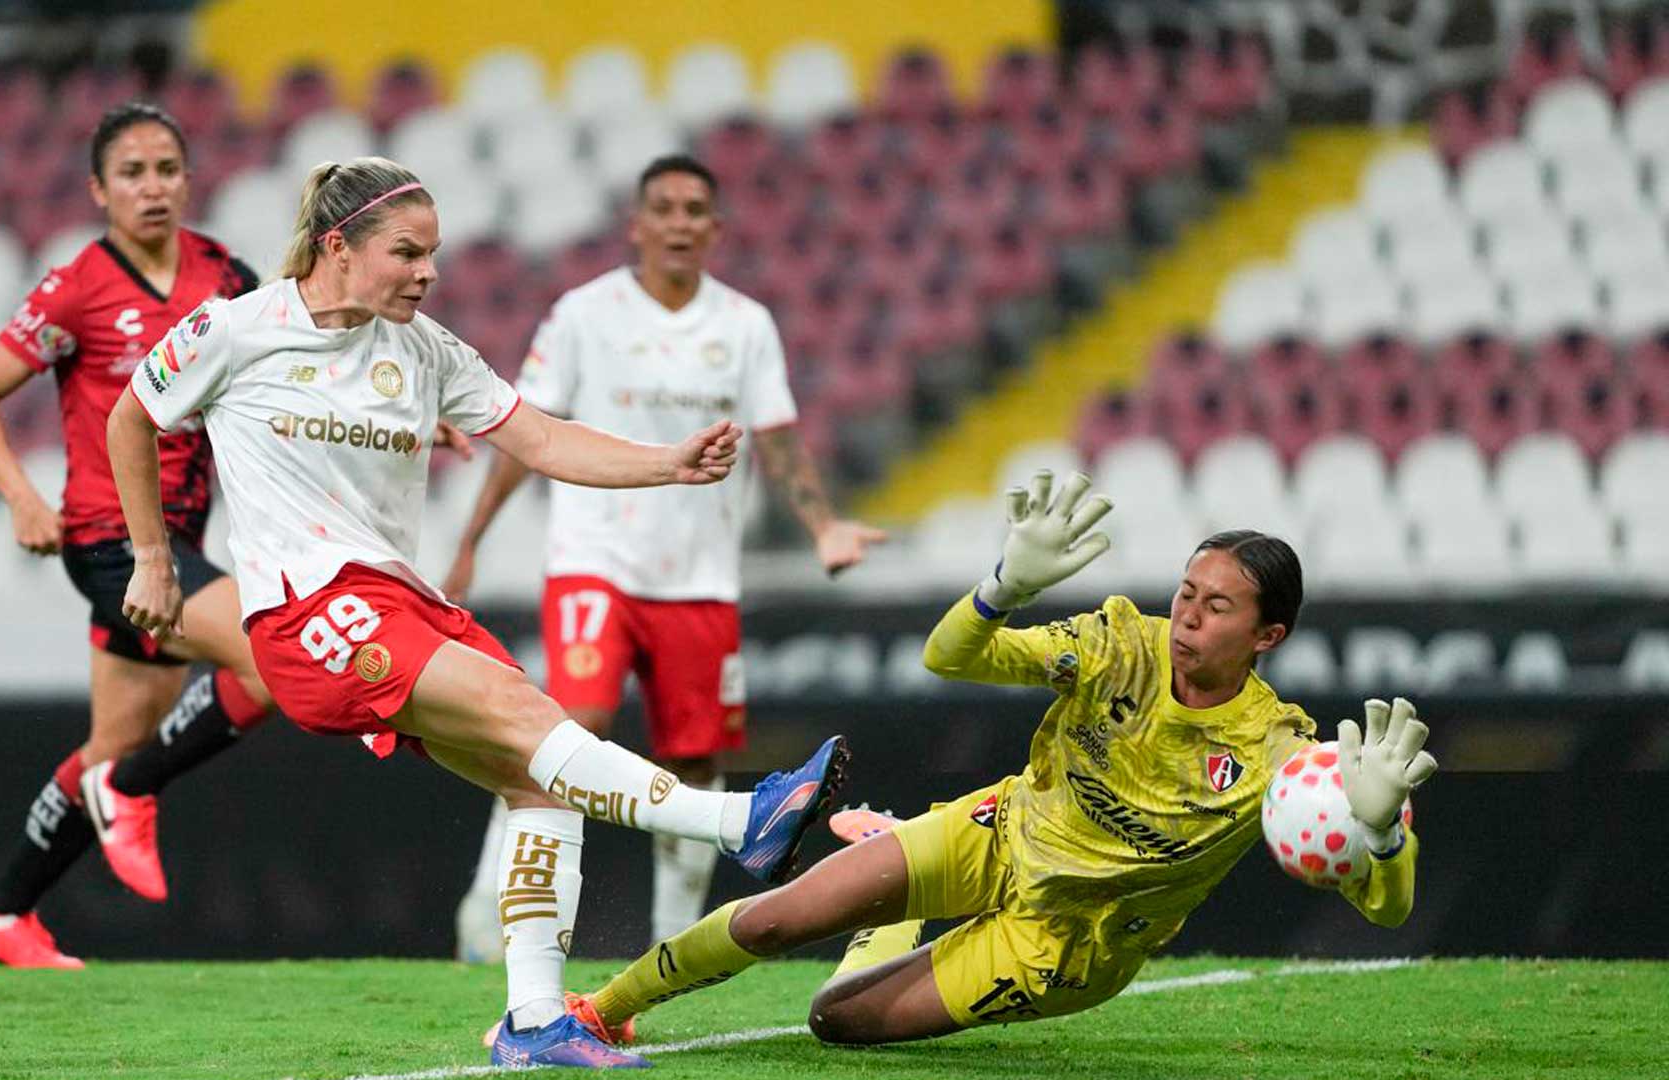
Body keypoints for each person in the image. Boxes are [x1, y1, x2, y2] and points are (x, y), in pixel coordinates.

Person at [105, 155, 849, 1069]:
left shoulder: (426, 350)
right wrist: (154, 560)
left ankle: (534, 1020)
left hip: (403, 600)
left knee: (538, 782)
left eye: (434, 254)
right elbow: (130, 418)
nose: (428, 273)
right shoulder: (235, 329)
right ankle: (740, 823)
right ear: (337, 247)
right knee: (529, 714)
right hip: (308, 611)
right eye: (406, 253)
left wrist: (667, 463)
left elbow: (543, 439)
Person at [566, 472, 1437, 1048]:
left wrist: (1382, 836)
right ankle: (602, 1012)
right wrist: (1002, 590)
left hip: (1063, 944)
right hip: (1001, 831)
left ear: (1268, 635)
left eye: (1218, 607)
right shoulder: (1116, 644)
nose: (1189, 616)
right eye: (1186, 592)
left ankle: (887, 924)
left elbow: (1389, 911)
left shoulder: (1280, 753)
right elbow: (949, 657)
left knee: (835, 1022)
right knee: (772, 922)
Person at [443, 154, 887, 962]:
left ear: (715, 228)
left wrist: (823, 526)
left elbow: (778, 439)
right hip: (594, 561)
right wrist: (471, 539)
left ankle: (670, 945)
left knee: (694, 755)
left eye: (694, 210)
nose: (679, 223)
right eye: (665, 208)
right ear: (637, 224)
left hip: (699, 577)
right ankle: (489, 908)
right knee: (568, 728)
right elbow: (527, 432)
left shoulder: (744, 324)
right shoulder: (583, 313)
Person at [0, 103, 277, 968]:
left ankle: (0, 913)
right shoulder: (78, 288)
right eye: (132, 173)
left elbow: (284, 373)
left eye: (167, 168)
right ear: (99, 190)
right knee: (275, 657)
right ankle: (128, 790)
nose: (152, 187)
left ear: (189, 179)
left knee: (116, 739)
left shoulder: (226, 276)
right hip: (111, 544)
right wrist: (21, 498)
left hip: (182, 543)